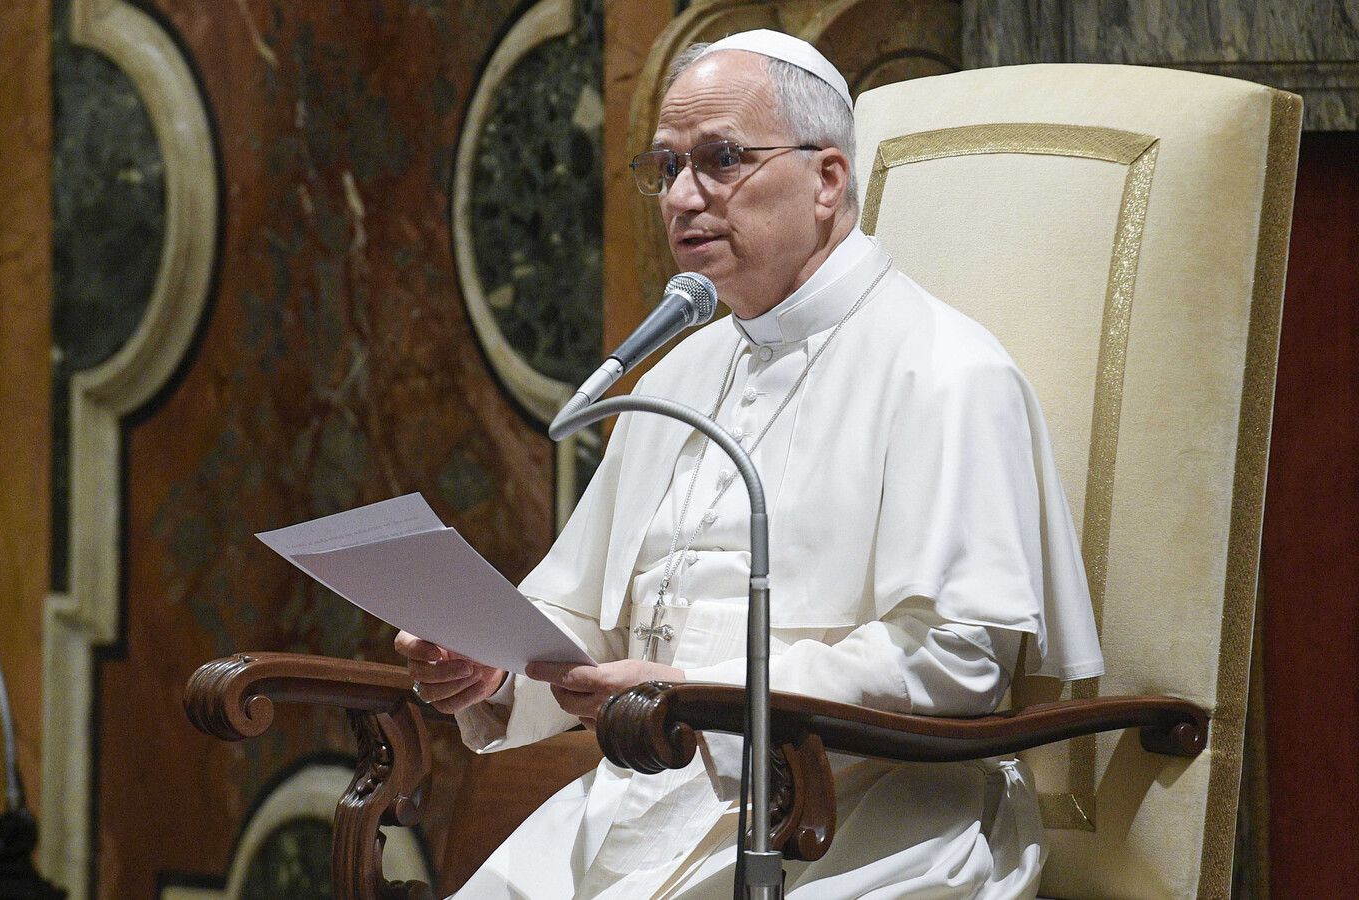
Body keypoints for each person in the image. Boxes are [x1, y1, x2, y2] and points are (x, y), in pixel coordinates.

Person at [397, 29, 1103, 899]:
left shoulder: (948, 371)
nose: (682, 197)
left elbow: (956, 658)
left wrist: (701, 693)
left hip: (865, 821)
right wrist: (496, 665)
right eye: (665, 167)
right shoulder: (683, 371)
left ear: (828, 180)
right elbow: (591, 611)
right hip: (646, 803)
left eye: (721, 159)